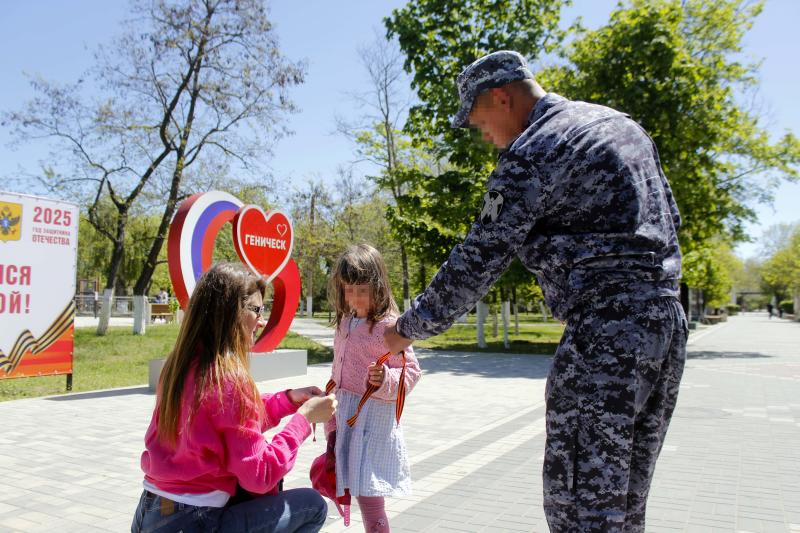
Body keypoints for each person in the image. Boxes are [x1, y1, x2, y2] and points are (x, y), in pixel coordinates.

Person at [383, 51, 687, 532]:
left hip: (605, 333)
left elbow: (479, 257)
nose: (483, 137)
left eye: (479, 121)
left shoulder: (534, 150)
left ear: (501, 97)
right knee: (624, 504)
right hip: (665, 325)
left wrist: (406, 329)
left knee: (580, 505)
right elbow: (671, 221)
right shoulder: (620, 126)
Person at [132, 262, 337, 532]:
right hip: (196, 522)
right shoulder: (229, 377)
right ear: (229, 312)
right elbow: (261, 475)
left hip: (150, 511)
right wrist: (304, 419)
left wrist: (288, 399)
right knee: (312, 505)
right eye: (256, 310)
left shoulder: (181, 364)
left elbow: (228, 419)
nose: (261, 321)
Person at [325, 244, 422, 533]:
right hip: (346, 415)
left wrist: (385, 380)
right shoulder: (344, 321)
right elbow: (338, 366)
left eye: (362, 289)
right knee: (350, 484)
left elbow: (412, 371)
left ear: (378, 287)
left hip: (371, 420)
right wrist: (329, 393)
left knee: (369, 492)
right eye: (348, 289)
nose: (354, 297)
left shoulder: (388, 326)